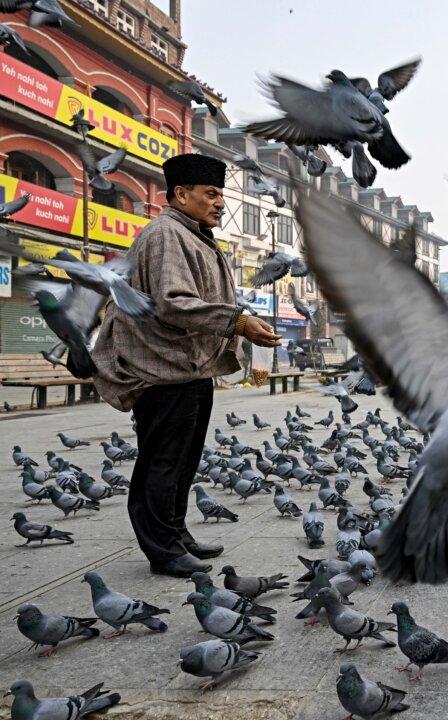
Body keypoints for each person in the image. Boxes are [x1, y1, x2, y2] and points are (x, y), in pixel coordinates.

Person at [92, 154, 281, 577]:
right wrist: (238, 321)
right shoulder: (165, 235)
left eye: (221, 196)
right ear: (180, 194)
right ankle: (163, 549)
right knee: (161, 461)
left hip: (192, 368)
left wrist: (238, 317)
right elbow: (172, 303)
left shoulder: (193, 235)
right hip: (162, 370)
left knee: (184, 459)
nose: (220, 204)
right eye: (211, 194)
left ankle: (175, 533)